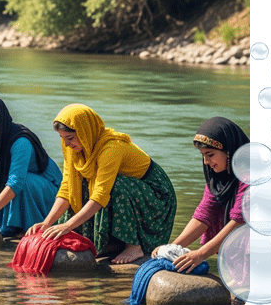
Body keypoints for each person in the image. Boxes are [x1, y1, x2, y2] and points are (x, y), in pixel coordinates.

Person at [28, 104, 177, 264]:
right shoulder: (74, 148)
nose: (66, 144)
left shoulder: (111, 148)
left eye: (70, 138)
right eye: (62, 138)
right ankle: (109, 243)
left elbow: (100, 195)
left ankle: (134, 246)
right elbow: (67, 188)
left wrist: (68, 225)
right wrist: (47, 222)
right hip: (128, 190)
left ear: (85, 132)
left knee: (115, 185)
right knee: (78, 186)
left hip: (155, 194)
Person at [151, 117, 249, 273]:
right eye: (203, 155)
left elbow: (238, 221)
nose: (206, 162)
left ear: (228, 150)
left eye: (210, 154)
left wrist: (201, 254)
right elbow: (205, 214)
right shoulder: (217, 176)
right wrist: (170, 249)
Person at [0, 95, 62, 237]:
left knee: (25, 181)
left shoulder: (20, 142)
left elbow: (16, 182)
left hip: (43, 190)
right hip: (12, 184)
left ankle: (24, 225)